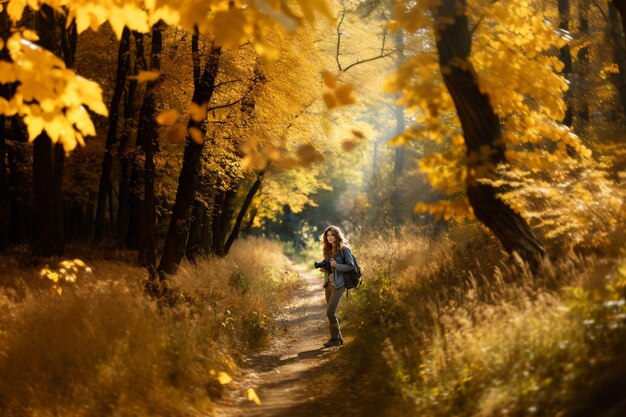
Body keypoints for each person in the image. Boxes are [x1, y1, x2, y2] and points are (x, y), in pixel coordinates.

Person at [318, 225, 356, 347]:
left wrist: (337, 265)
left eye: (332, 235)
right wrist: (324, 268)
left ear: (337, 235)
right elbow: (330, 268)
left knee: (330, 312)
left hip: (339, 285)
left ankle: (334, 339)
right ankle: (338, 338)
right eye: (327, 235)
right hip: (328, 284)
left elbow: (351, 266)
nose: (329, 237)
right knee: (330, 312)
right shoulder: (328, 250)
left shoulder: (344, 249)